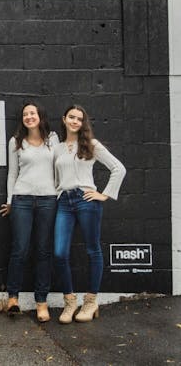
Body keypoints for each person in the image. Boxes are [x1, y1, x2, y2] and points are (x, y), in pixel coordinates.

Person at [53, 105, 126, 324]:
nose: (75, 121)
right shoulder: (56, 148)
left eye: (79, 119)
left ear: (83, 123)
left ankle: (91, 301)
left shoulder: (91, 144)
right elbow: (56, 180)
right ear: (64, 119)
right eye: (71, 117)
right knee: (59, 253)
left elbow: (118, 168)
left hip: (86, 200)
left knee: (93, 250)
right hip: (64, 201)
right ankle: (69, 302)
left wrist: (104, 195)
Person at [0, 102, 58, 322]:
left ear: (40, 116)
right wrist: (10, 201)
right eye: (25, 114)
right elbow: (12, 174)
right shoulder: (15, 142)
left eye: (32, 113)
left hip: (48, 200)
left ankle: (41, 302)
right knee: (20, 249)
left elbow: (57, 169)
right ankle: (13, 299)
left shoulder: (53, 139)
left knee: (43, 251)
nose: (29, 117)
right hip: (22, 200)